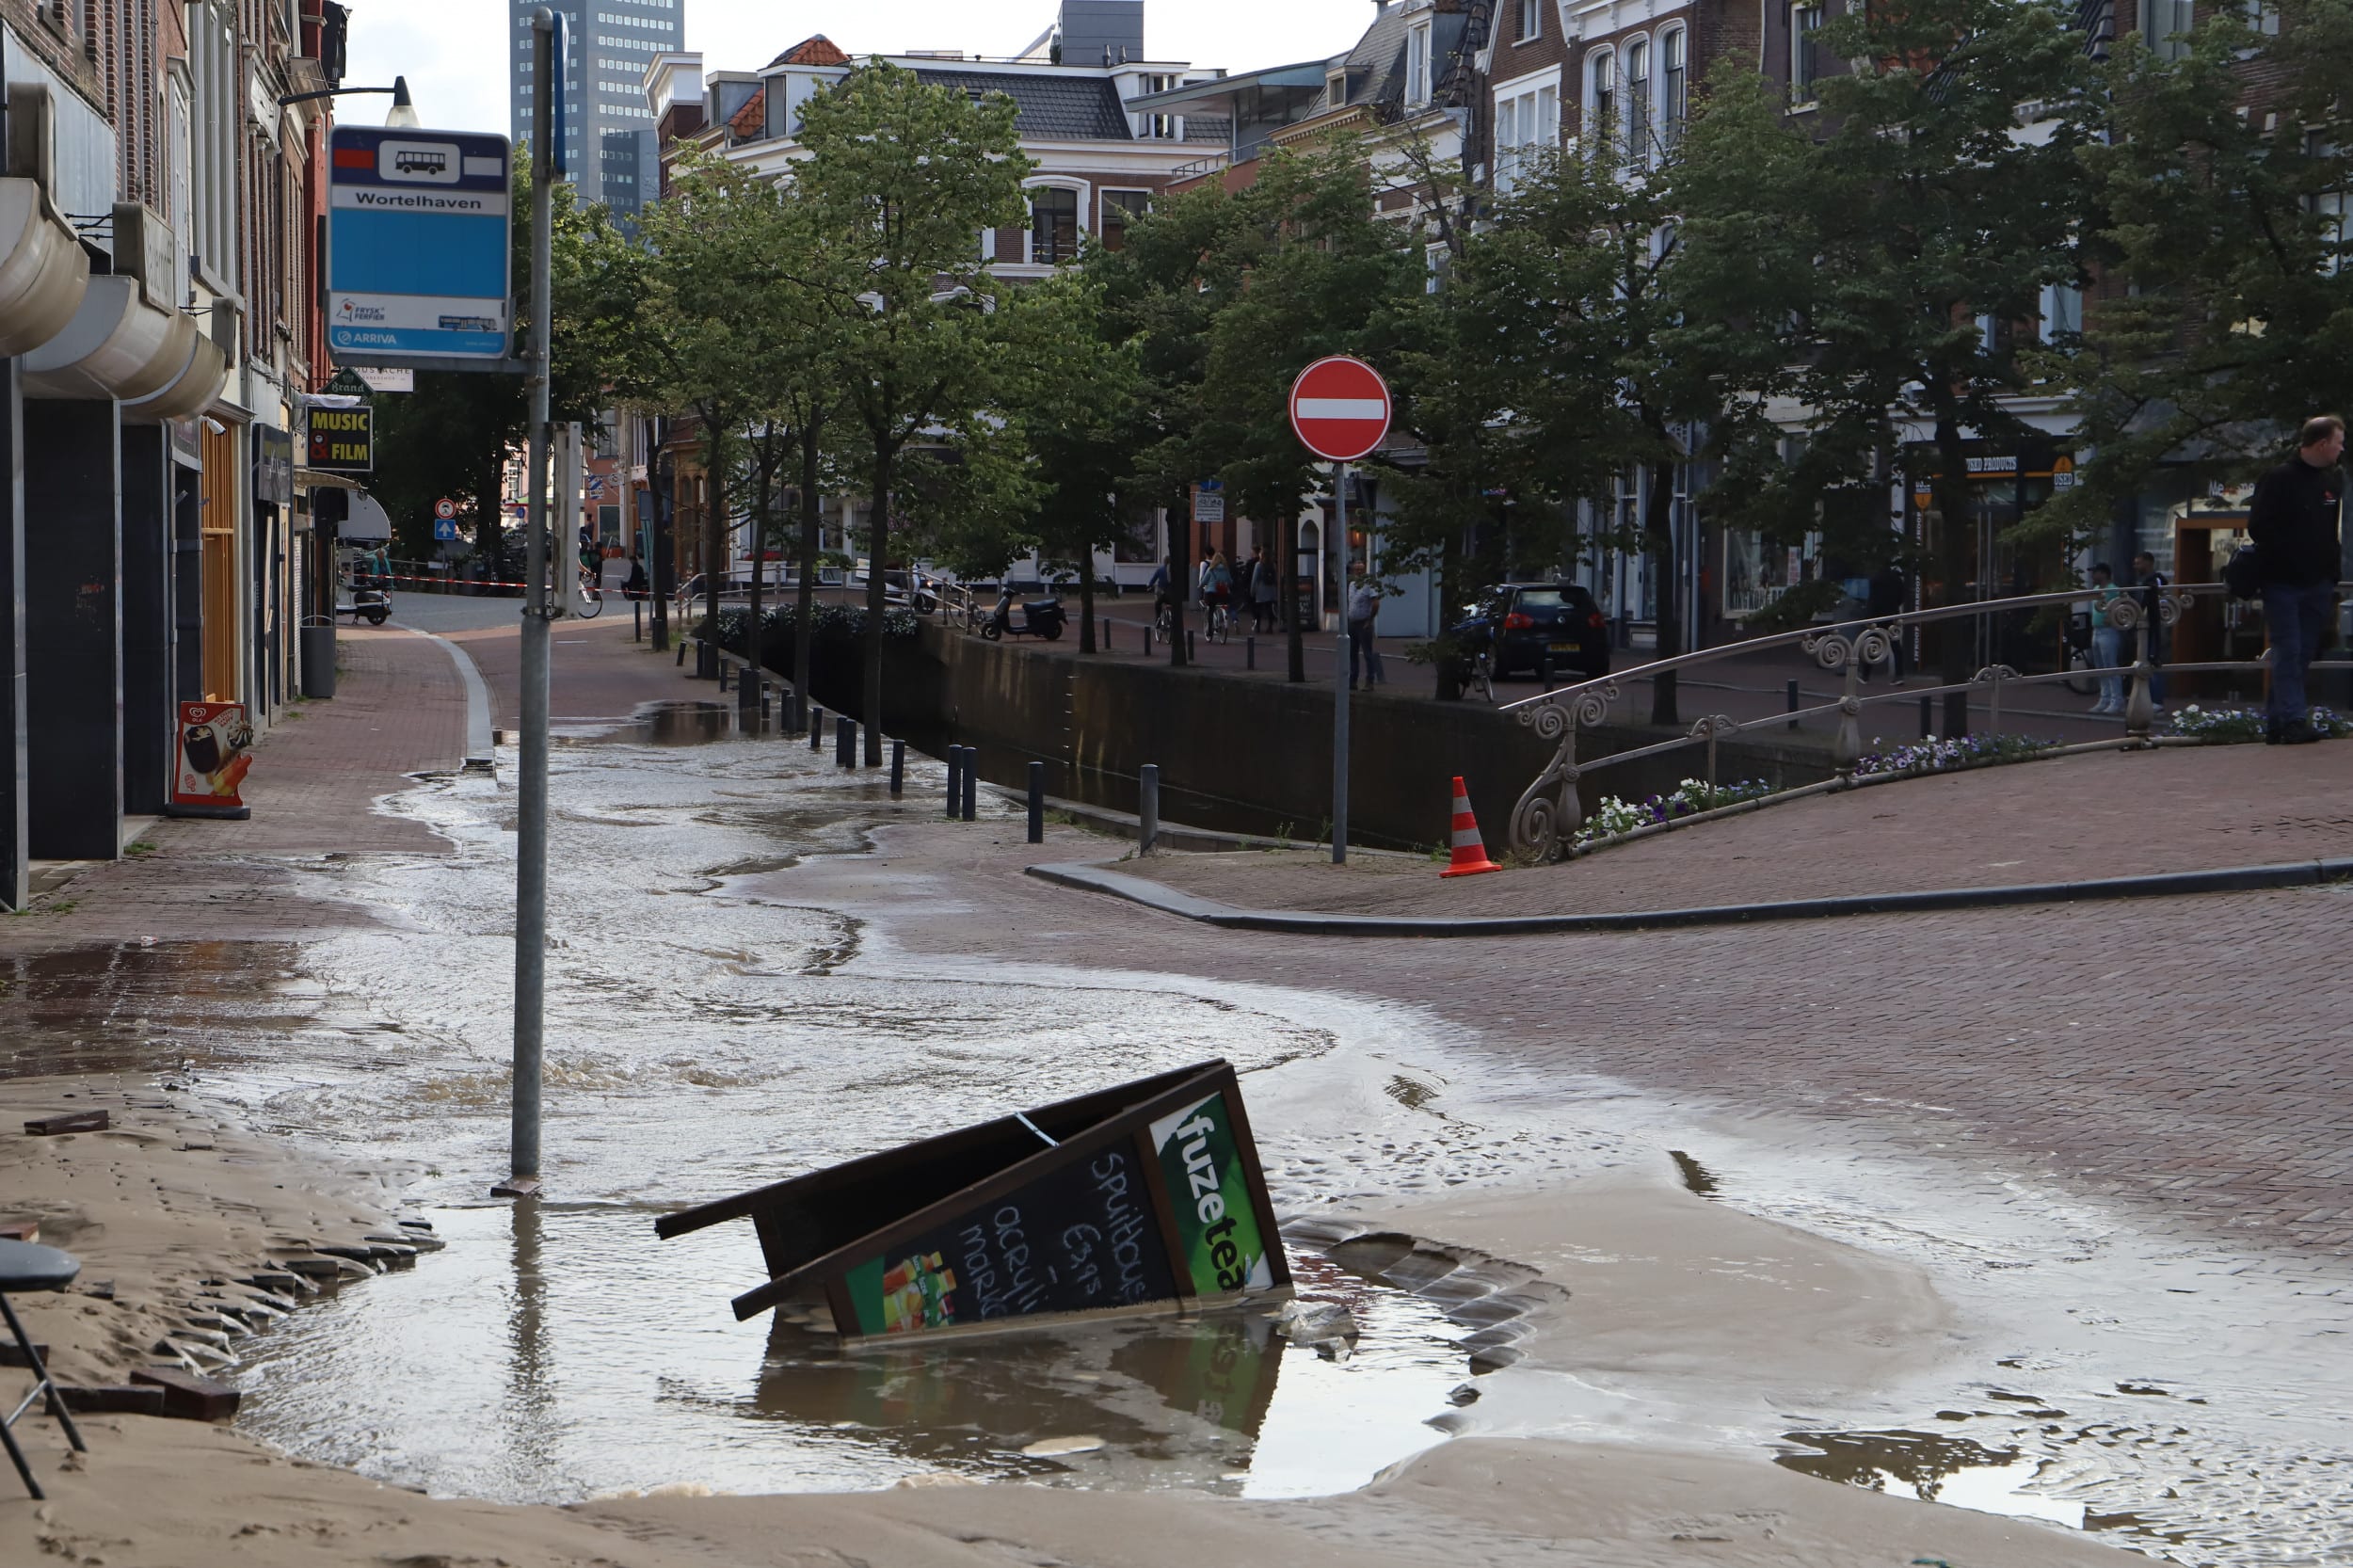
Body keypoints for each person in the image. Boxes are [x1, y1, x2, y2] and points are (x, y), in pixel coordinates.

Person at [2248, 414, 2345, 744]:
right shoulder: (2278, 478)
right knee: (2289, 649)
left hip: (2317, 583)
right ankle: (2292, 720)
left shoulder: (2329, 483)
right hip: (2283, 582)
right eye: (2338, 443)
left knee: (2301, 652)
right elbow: (2258, 526)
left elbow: (2330, 532)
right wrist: (2291, 555)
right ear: (2322, 444)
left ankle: (2279, 721)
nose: (2341, 449)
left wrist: (2331, 573)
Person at [2133, 550, 2169, 711]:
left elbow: (2161, 597)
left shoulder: (2155, 579)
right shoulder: (2144, 581)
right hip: (2146, 626)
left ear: (2148, 563)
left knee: (2154, 660)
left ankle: (2157, 701)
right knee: (2145, 660)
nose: (2135, 566)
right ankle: (2148, 698)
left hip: (2154, 626)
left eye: (2138, 563)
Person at [1861, 560, 1908, 682]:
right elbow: (1901, 597)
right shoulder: (1897, 580)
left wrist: (1869, 616)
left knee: (1872, 643)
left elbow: (1872, 600)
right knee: (1895, 645)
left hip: (1877, 616)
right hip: (1892, 615)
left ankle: (1865, 675)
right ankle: (1899, 675)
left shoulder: (1875, 579)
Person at [2088, 563, 2124, 715]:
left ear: (2103, 574)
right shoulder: (2096, 589)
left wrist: (2114, 619)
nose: (2092, 575)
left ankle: (2117, 700)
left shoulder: (2113, 590)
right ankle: (2104, 698)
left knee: (2110, 666)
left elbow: (2121, 606)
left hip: (2108, 631)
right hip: (2096, 630)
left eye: (2095, 572)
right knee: (2100, 668)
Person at [1346, 563, 1385, 688]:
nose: (1358, 572)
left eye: (1361, 570)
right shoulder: (1351, 585)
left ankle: (1369, 681)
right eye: (1356, 569)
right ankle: (1353, 680)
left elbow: (1376, 603)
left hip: (1364, 623)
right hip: (1352, 623)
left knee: (1367, 653)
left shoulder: (1369, 585)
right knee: (1352, 653)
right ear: (1353, 571)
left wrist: (1370, 620)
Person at [1249, 547, 1278, 633]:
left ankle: (1258, 627)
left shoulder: (1258, 565)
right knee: (1269, 609)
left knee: (1258, 609)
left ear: (1261, 555)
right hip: (1271, 589)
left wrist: (1252, 590)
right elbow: (1275, 578)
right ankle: (1270, 627)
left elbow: (1255, 579)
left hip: (1261, 590)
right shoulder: (1273, 565)